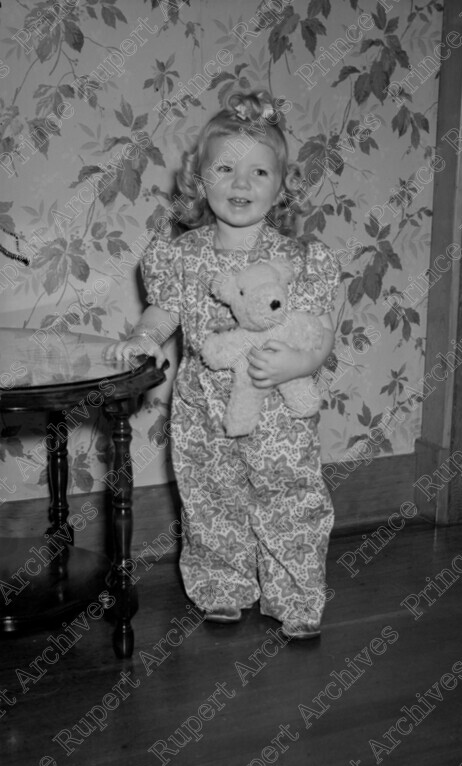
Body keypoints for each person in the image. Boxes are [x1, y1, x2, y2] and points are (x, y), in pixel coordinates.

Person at [105, 89, 339, 640]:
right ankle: (222, 588)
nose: (241, 183)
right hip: (202, 413)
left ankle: (296, 598)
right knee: (209, 499)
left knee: (291, 500)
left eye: (259, 172)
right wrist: (144, 337)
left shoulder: (301, 259)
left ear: (281, 186)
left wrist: (297, 364)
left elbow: (319, 332)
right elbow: (164, 310)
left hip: (280, 415)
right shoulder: (182, 255)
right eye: (226, 169)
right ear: (200, 179)